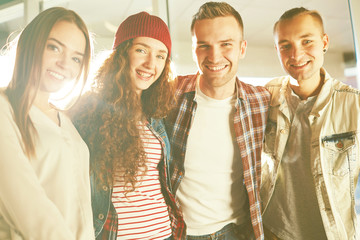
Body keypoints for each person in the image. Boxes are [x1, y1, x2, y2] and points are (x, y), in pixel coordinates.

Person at [70, 11, 185, 240]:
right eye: (141, 50)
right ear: (122, 53)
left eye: (161, 56)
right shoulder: (89, 110)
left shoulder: (156, 115)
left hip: (165, 234)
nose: (151, 64)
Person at [165, 2, 271, 240]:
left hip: (237, 232)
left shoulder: (261, 101)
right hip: (178, 232)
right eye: (204, 45)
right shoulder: (169, 96)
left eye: (226, 44)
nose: (214, 56)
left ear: (242, 48)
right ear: (194, 50)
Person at [261, 7, 360, 240]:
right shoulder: (266, 97)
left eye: (307, 41)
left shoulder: (353, 106)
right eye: (285, 45)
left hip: (331, 234)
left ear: (324, 42)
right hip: (275, 232)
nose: (296, 54)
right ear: (277, 50)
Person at [0, 7, 94, 240]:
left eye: (75, 58)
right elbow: (27, 205)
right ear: (32, 44)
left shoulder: (66, 121)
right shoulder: (4, 107)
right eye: (54, 47)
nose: (64, 64)